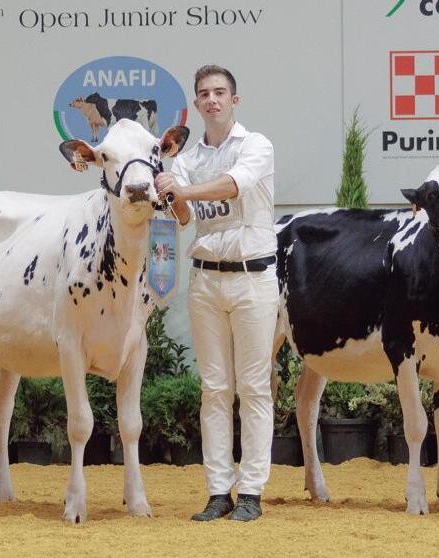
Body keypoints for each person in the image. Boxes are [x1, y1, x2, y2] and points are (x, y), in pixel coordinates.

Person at [155, 65, 276, 522]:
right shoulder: (186, 160)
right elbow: (184, 218)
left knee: (254, 387)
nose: (212, 99)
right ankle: (218, 491)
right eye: (204, 93)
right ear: (197, 103)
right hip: (205, 277)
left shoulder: (256, 145)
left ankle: (252, 492)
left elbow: (232, 185)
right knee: (214, 389)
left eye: (220, 92)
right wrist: (168, 194)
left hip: (253, 276)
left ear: (234, 100)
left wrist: (182, 189)